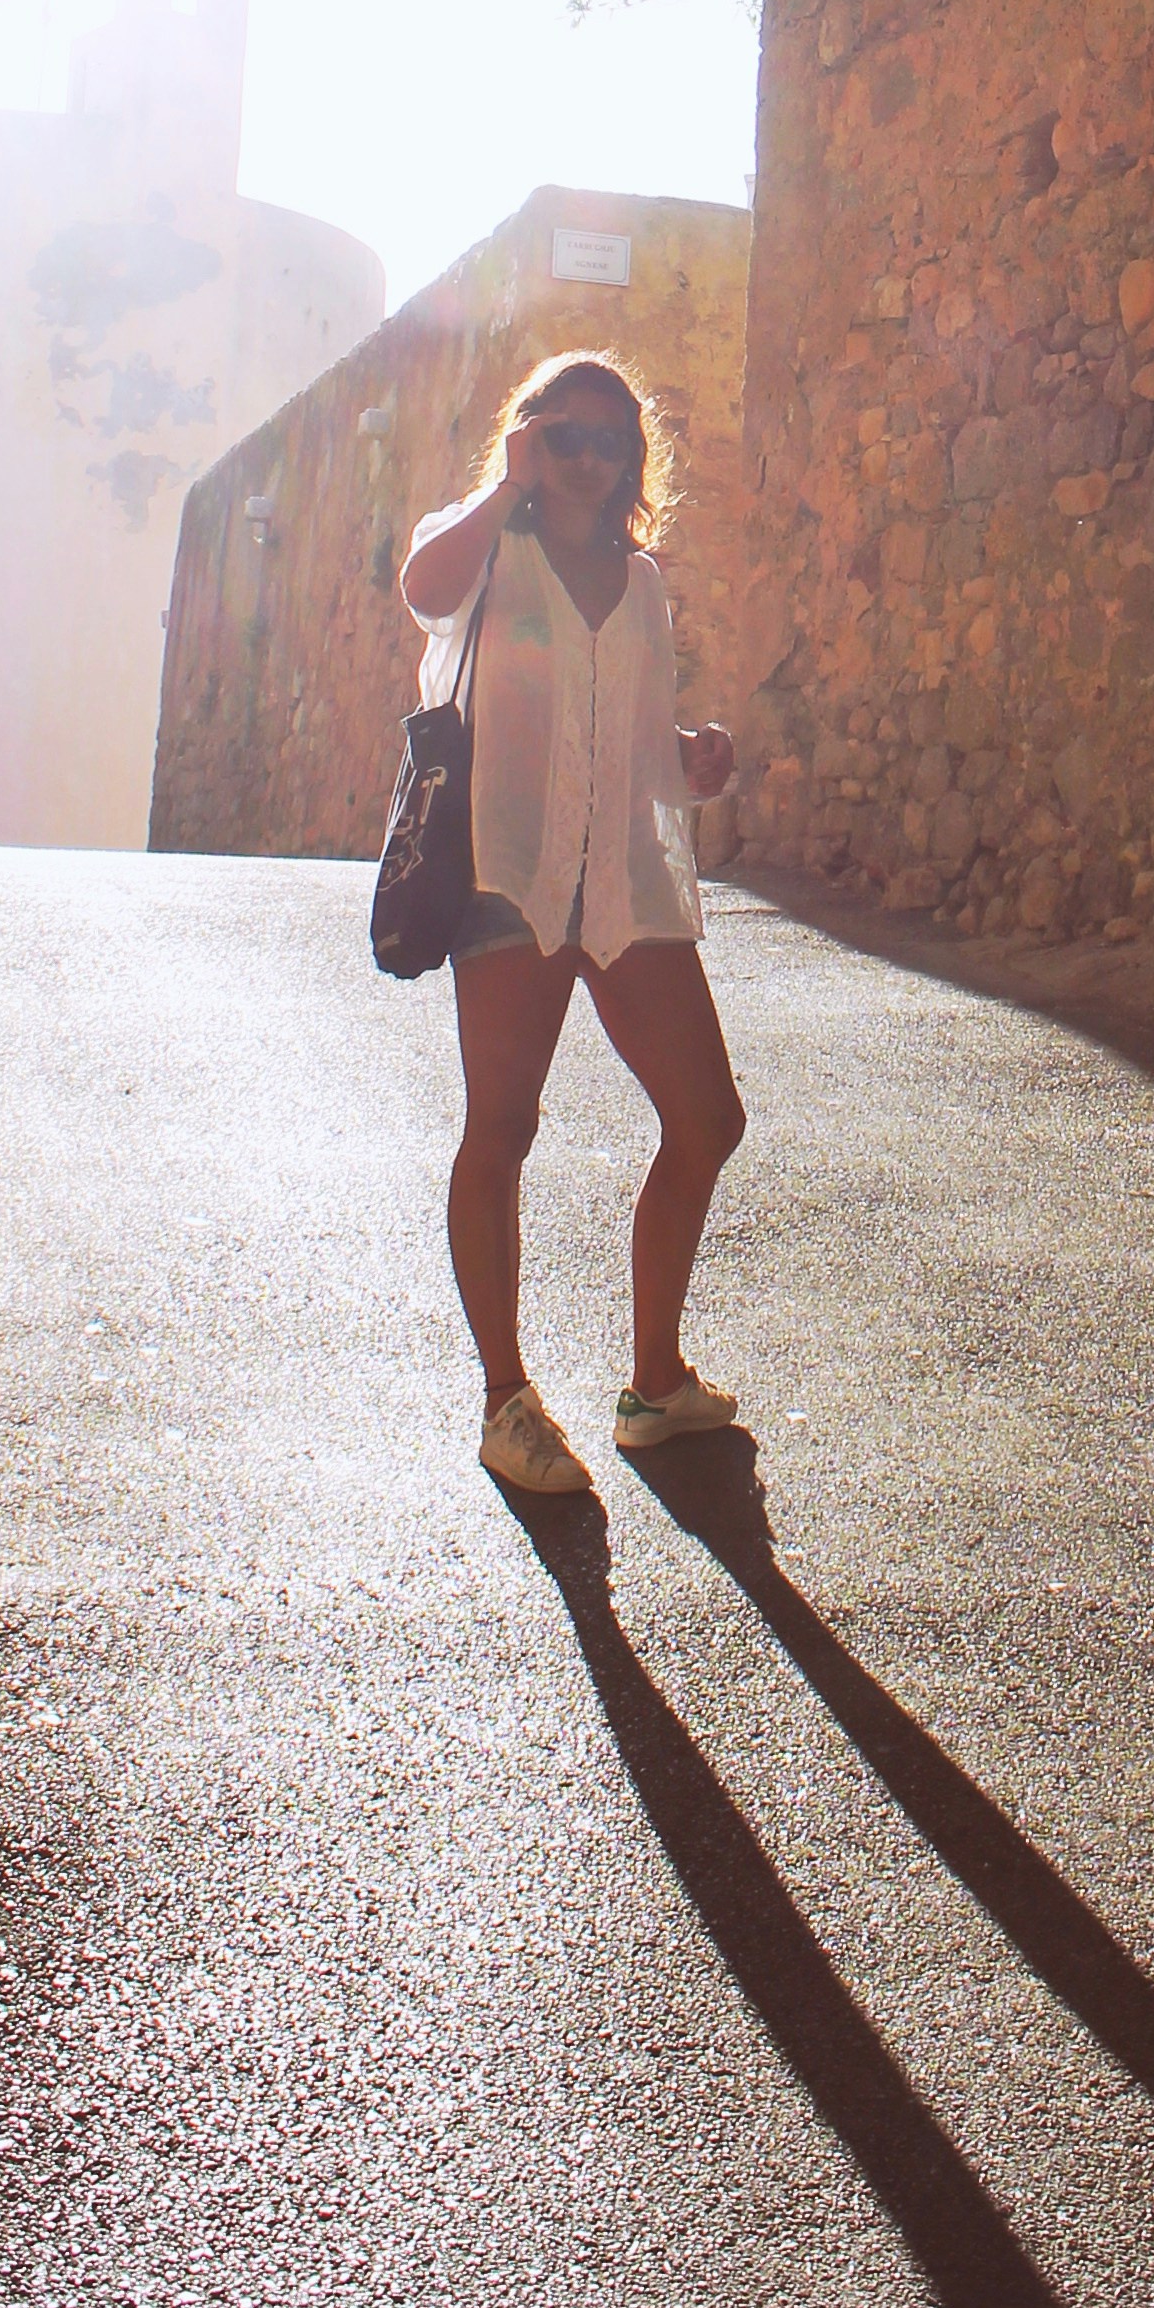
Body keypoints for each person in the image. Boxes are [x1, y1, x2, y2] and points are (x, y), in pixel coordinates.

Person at [398, 352, 747, 1497]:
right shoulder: (487, 547)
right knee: (501, 1127)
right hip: (508, 869)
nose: (590, 458)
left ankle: (654, 1384)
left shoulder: (640, 584)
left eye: (611, 440)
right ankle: (506, 1401)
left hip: (624, 883)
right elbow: (422, 591)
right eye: (567, 435)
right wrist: (506, 487)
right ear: (530, 437)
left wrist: (690, 760)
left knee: (708, 1117)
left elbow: (630, 737)